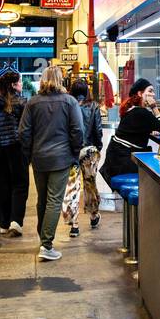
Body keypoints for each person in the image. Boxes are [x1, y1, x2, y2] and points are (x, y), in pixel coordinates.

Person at [19, 65, 83, 262]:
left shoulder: (32, 103)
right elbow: (78, 130)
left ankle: (43, 238)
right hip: (61, 157)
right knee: (55, 200)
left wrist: (29, 154)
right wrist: (74, 152)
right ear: (61, 80)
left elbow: (23, 132)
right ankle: (46, 245)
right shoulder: (70, 102)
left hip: (39, 158)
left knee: (43, 199)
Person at [100, 78, 160, 187]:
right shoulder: (141, 112)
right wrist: (154, 107)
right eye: (150, 91)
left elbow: (134, 129)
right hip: (123, 162)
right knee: (157, 173)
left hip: (115, 159)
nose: (153, 95)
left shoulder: (131, 109)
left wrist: (148, 131)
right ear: (140, 93)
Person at [0, 70, 29, 235]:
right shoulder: (20, 102)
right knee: (20, 184)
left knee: (3, 185)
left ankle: (4, 224)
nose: (21, 85)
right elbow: (25, 128)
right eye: (19, 82)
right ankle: (16, 221)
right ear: (13, 85)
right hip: (16, 147)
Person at [64, 78, 104, 235]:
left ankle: (74, 224)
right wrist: (98, 147)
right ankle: (94, 215)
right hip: (89, 151)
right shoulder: (94, 106)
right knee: (90, 184)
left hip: (72, 151)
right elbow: (98, 129)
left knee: (73, 186)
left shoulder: (68, 106)